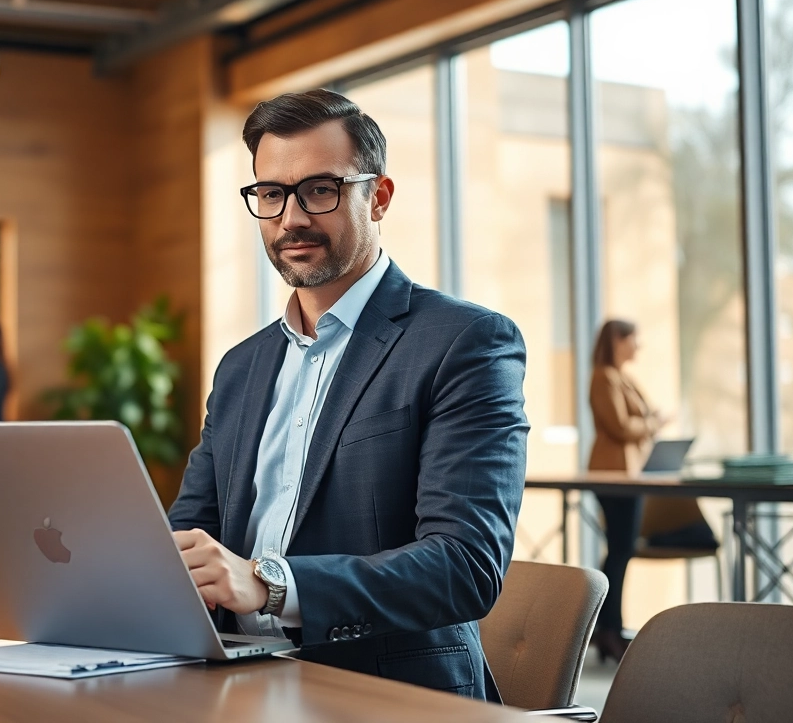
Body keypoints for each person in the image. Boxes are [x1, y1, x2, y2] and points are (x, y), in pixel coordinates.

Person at [168, 89, 528, 701]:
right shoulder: (241, 367)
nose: (291, 218)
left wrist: (270, 585)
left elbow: (464, 565)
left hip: (387, 694)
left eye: (319, 190)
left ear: (378, 197)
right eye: (271, 194)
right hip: (234, 684)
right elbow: (192, 533)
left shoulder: (466, 342)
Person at [586, 319, 671, 662]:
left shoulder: (623, 378)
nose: (639, 346)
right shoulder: (603, 377)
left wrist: (650, 421)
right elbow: (620, 426)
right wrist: (654, 424)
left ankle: (610, 629)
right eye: (634, 339)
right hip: (612, 474)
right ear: (617, 341)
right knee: (620, 550)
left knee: (621, 550)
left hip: (630, 473)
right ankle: (608, 630)